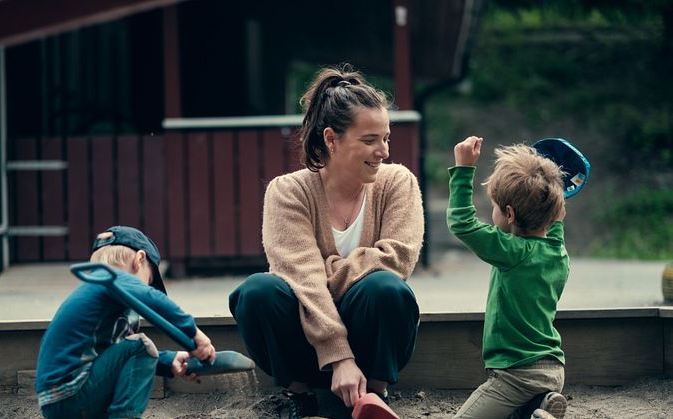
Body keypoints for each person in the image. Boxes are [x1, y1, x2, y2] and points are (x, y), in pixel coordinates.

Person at [229, 64, 424, 418]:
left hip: (369, 337)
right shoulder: (287, 191)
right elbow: (300, 277)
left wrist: (324, 270)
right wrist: (339, 357)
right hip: (307, 343)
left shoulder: (398, 182)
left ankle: (375, 397)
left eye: (386, 138)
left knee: (385, 288)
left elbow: (398, 258)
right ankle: (299, 395)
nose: (383, 151)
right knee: (258, 292)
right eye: (369, 140)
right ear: (332, 139)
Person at [35, 226, 216, 419]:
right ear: (139, 260)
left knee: (135, 346)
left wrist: (167, 361)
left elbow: (118, 357)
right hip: (72, 390)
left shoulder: (101, 298)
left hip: (57, 400)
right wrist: (195, 334)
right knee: (141, 345)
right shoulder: (111, 279)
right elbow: (153, 299)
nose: (146, 286)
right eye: (149, 279)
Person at [447, 136, 569, 419]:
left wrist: (463, 169)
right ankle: (537, 408)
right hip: (554, 369)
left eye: (494, 207)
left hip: (516, 374)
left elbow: (462, 222)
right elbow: (557, 219)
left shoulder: (512, 252)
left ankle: (532, 408)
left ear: (510, 214)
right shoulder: (558, 252)